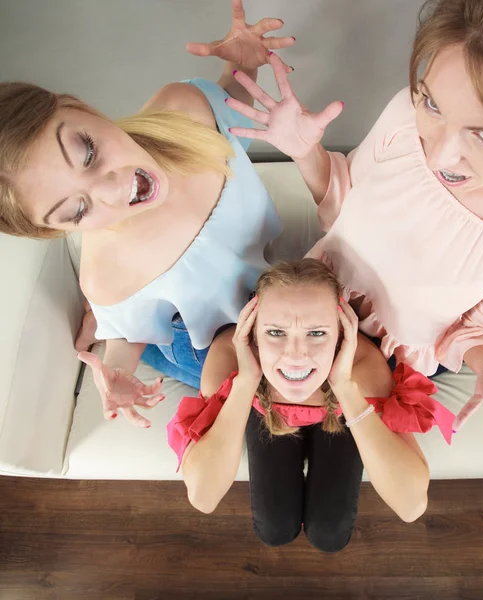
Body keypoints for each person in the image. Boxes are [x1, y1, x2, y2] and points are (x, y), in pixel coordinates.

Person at [224, 0, 483, 448]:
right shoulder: (405, 115)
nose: (438, 155)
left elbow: (472, 334)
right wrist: (306, 153)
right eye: (434, 105)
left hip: (391, 359)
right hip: (313, 305)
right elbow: (343, 203)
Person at [0, 0, 295, 427]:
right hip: (202, 340)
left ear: (80, 106)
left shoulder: (184, 107)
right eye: (76, 209)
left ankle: (101, 315)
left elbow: (230, 105)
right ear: (57, 231)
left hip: (276, 294)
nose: (114, 186)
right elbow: (130, 335)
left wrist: (245, 66)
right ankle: (106, 319)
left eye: (87, 151)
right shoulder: (107, 273)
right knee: (277, 406)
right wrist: (118, 368)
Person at [168, 259, 454, 552]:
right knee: (274, 529)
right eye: (275, 333)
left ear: (341, 335)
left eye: (317, 333)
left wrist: (345, 387)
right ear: (253, 333)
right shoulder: (230, 359)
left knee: (330, 534)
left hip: (340, 409)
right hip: (263, 407)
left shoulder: (362, 368)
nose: (296, 356)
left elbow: (411, 506)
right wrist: (245, 383)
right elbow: (203, 497)